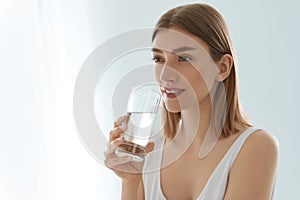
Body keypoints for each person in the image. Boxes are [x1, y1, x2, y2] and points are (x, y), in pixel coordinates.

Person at [104, 3, 279, 200]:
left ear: (222, 68)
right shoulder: (149, 154)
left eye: (184, 58)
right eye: (158, 59)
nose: (165, 74)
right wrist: (130, 180)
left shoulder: (255, 146)